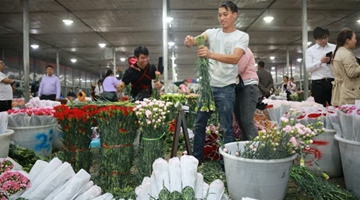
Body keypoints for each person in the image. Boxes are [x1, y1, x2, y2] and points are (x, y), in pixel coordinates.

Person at [183, 1, 249, 164]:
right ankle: (196, 160)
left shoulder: (241, 36)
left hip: (226, 88)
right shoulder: (211, 33)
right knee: (199, 124)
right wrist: (190, 41)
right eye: (219, 15)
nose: (222, 18)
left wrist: (210, 54)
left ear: (235, 15)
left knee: (226, 127)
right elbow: (196, 41)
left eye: (225, 14)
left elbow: (235, 58)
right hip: (207, 88)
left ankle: (226, 164)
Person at [306, 27, 336, 107]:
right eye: (320, 38)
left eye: (325, 38)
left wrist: (333, 60)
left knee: (334, 106)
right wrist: (320, 61)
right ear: (315, 39)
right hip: (318, 83)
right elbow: (308, 68)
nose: (323, 40)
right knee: (319, 107)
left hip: (332, 82)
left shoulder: (334, 48)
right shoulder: (310, 51)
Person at [234, 48, 259, 141]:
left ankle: (259, 151)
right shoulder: (235, 51)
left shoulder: (244, 50)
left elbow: (239, 68)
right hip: (239, 89)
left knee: (247, 121)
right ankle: (247, 149)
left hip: (248, 87)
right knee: (241, 122)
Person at [331, 28, 360, 106]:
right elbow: (352, 72)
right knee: (352, 116)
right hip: (349, 93)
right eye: (354, 38)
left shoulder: (339, 52)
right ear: (348, 40)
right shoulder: (346, 54)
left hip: (343, 91)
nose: (356, 41)